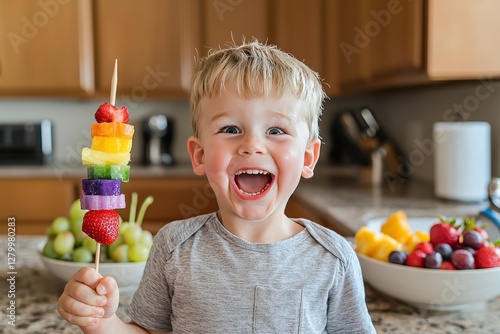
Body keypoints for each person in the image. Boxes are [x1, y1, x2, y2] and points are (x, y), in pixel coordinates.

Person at [57, 40, 376, 334]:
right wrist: (103, 323)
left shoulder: (333, 259)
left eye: (276, 130)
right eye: (231, 128)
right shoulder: (173, 247)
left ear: (309, 157)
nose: (252, 145)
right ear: (199, 155)